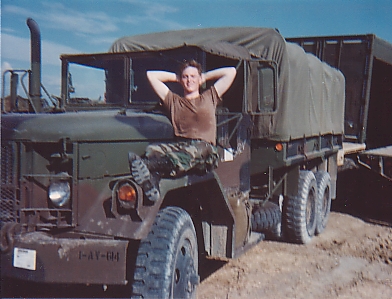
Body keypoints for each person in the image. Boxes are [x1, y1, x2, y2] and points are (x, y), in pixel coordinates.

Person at [129, 60, 237, 201]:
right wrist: (177, 78)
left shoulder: (210, 97)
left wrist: (204, 76)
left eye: (193, 76)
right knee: (152, 150)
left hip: (205, 150)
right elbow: (151, 75)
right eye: (185, 77)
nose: (189, 80)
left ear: (199, 79)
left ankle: (148, 166)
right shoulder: (174, 101)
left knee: (194, 151)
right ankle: (152, 184)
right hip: (181, 146)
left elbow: (231, 72)